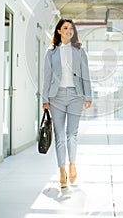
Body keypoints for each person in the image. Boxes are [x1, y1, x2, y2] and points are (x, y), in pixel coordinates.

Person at [42, 18, 92, 188]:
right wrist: (45, 99)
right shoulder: (51, 52)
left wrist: (88, 96)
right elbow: (47, 77)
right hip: (55, 97)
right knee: (60, 136)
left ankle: (72, 164)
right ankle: (62, 170)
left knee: (72, 134)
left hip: (75, 95)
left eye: (71, 28)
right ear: (59, 31)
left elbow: (86, 75)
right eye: (65, 28)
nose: (69, 31)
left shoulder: (79, 51)